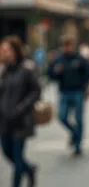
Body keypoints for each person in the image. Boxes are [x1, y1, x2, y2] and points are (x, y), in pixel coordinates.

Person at [0, 36, 41, 187]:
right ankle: (29, 169)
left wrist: (22, 107)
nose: (5, 53)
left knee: (17, 159)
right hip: (4, 121)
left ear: (16, 50)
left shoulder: (26, 68)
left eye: (8, 49)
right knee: (7, 153)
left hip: (20, 120)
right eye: (3, 50)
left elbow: (36, 91)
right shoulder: (3, 70)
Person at [48, 35, 89, 156]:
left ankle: (78, 145)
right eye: (65, 45)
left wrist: (85, 86)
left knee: (79, 118)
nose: (67, 48)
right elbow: (50, 75)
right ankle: (74, 133)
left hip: (78, 92)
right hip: (64, 92)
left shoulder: (79, 59)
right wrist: (56, 71)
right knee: (62, 116)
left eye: (69, 45)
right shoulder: (58, 60)